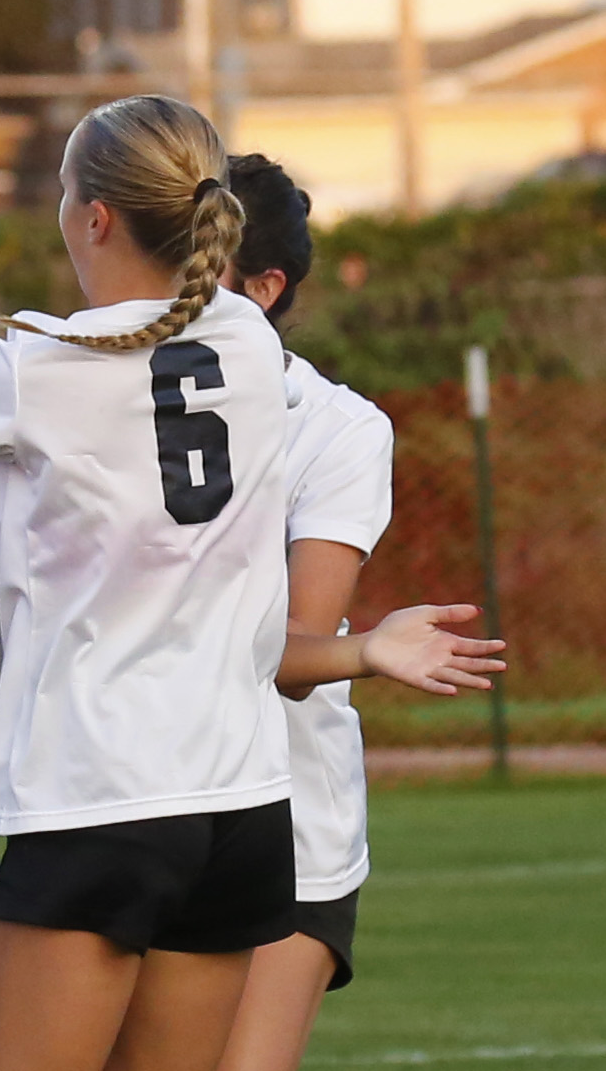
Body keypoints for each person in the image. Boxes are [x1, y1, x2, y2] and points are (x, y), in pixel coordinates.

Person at [0, 95, 505, 1071]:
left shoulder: (49, 364)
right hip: (241, 807)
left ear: (96, 217)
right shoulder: (248, 343)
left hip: (98, 797)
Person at [215, 154, 392, 1071]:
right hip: (125, 808)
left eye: (193, 261)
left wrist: (363, 652)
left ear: (265, 287)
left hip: (284, 821)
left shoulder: (336, 428)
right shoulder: (89, 393)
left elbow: (293, 656)